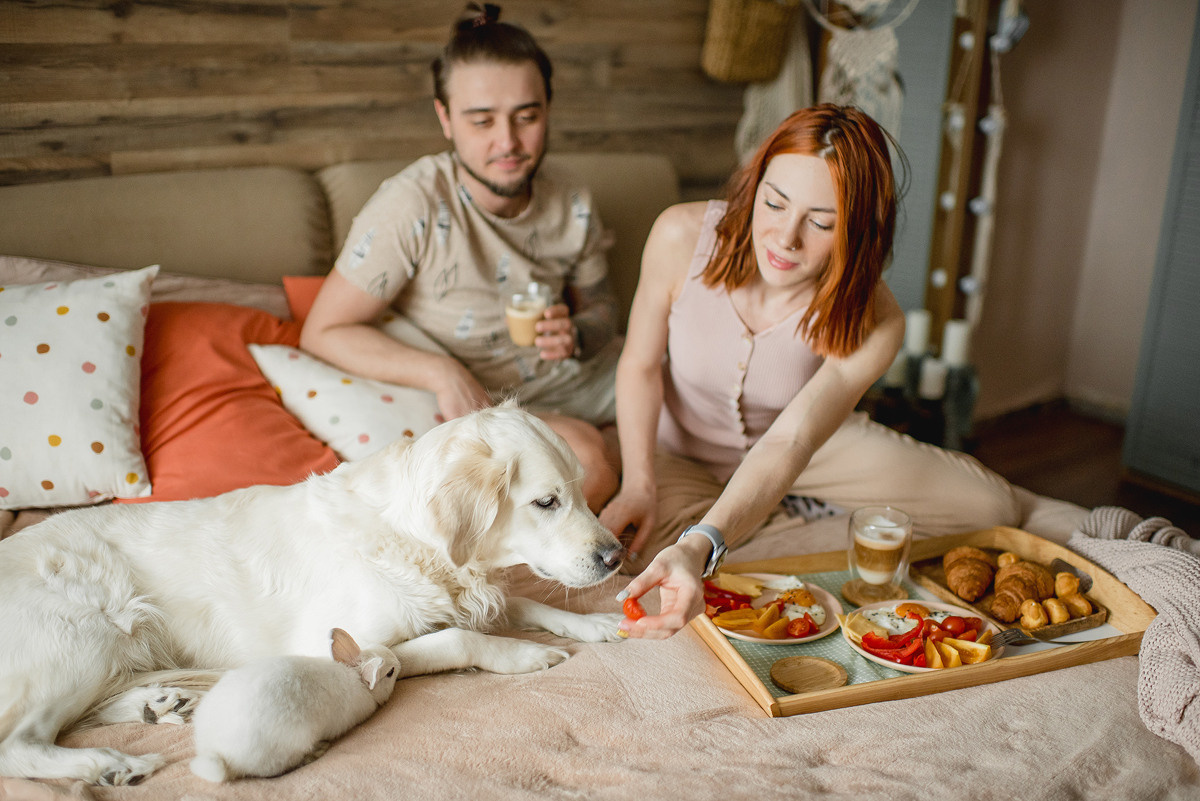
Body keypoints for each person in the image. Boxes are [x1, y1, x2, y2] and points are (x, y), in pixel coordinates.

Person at [601, 104, 1021, 639]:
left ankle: (780, 509)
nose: (785, 238)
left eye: (821, 223)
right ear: (755, 186)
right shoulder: (679, 235)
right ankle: (770, 516)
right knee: (663, 566)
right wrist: (639, 483)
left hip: (809, 447)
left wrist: (704, 538)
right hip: (679, 451)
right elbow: (638, 365)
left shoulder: (879, 317)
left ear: (858, 230)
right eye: (774, 203)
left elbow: (794, 438)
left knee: (993, 506)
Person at [300, 2, 622, 510]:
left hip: (581, 379)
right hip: (490, 398)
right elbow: (322, 331)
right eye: (481, 120)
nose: (508, 142)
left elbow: (605, 310)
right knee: (585, 461)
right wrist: (441, 372)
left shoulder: (572, 196)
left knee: (698, 386)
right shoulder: (412, 204)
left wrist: (580, 330)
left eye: (527, 117)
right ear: (445, 118)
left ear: (548, 109)